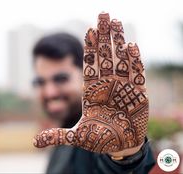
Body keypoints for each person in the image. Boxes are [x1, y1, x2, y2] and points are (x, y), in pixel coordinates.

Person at [32, 12, 156, 174]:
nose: (50, 92)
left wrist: (124, 156)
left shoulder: (95, 133)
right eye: (41, 82)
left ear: (86, 74)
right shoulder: (63, 135)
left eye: (61, 79)